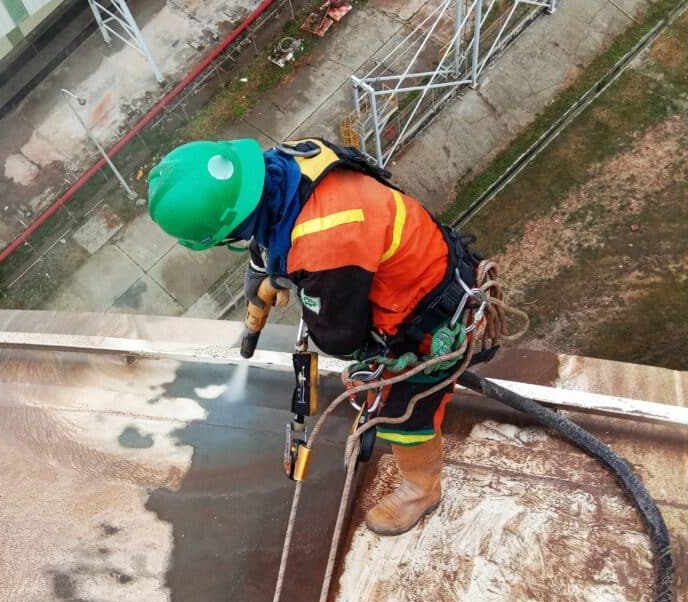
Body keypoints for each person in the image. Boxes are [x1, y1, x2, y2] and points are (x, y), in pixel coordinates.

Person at [147, 137, 494, 536]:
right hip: (422, 259)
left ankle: (422, 488)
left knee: (401, 411)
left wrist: (302, 286)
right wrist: (269, 269)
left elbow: (339, 338)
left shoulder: (324, 244)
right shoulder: (287, 159)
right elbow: (278, 217)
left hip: (429, 317)